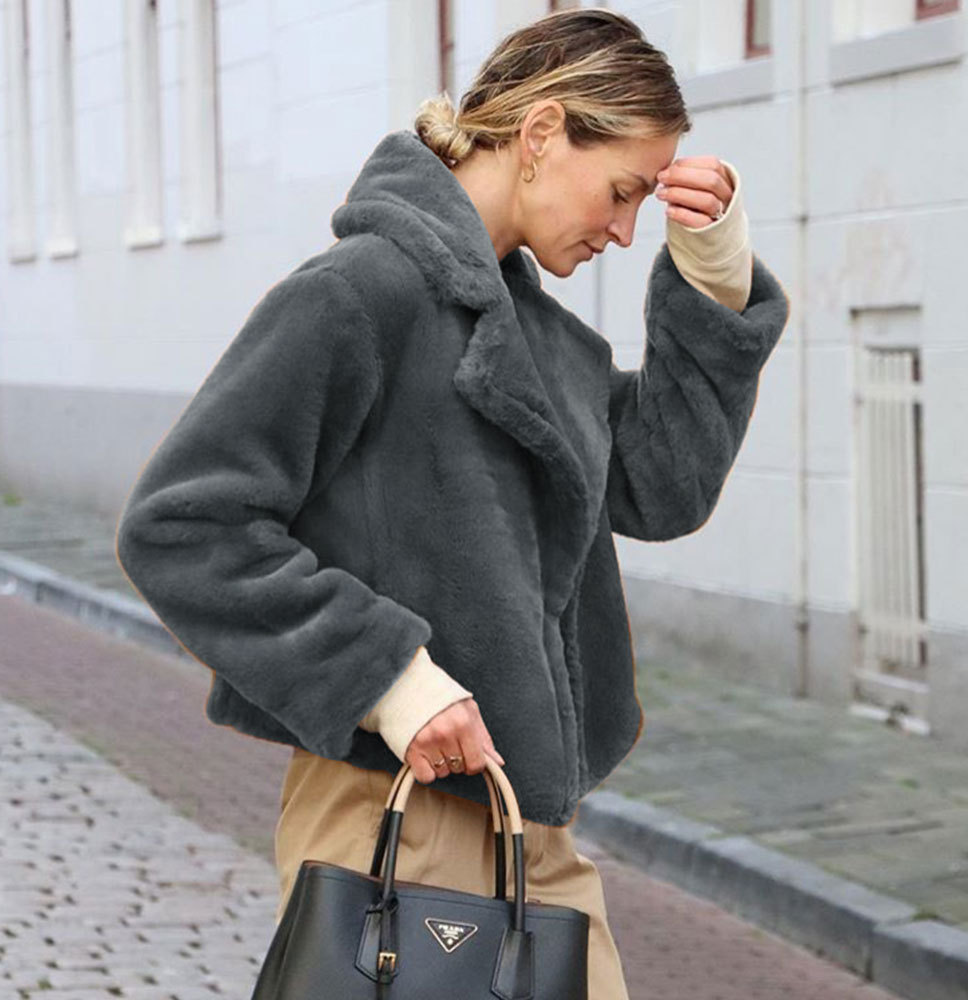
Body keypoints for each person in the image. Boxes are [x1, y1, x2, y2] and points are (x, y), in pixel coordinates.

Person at [114, 9, 790, 998]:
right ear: (542, 132)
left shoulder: (537, 337)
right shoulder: (358, 293)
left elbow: (660, 486)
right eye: (621, 192)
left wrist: (713, 277)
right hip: (394, 818)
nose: (623, 230)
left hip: (526, 824)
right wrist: (390, 677)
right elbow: (182, 525)